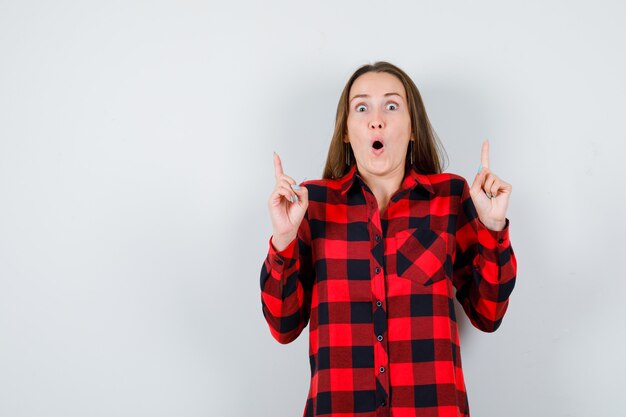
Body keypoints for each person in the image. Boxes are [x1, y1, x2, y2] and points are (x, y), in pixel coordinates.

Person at [259, 61, 517, 417]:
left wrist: (493, 229)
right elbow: (283, 326)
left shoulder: (452, 198)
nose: (375, 119)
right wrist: (283, 241)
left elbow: (489, 314)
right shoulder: (312, 205)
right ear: (347, 131)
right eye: (361, 107)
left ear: (412, 129)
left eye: (391, 106)